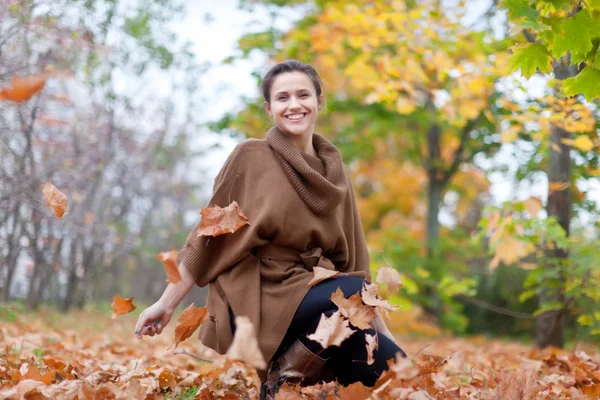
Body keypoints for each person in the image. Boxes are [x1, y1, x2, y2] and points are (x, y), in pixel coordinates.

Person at [134, 59, 406, 398]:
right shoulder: (251, 156)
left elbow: (353, 258)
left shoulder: (336, 173)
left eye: (303, 95)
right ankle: (279, 379)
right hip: (255, 293)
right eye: (282, 98)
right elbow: (207, 238)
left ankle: (288, 386)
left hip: (318, 292)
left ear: (319, 101)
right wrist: (166, 303)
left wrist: (386, 338)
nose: (294, 105)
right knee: (350, 293)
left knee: (383, 367)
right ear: (269, 107)